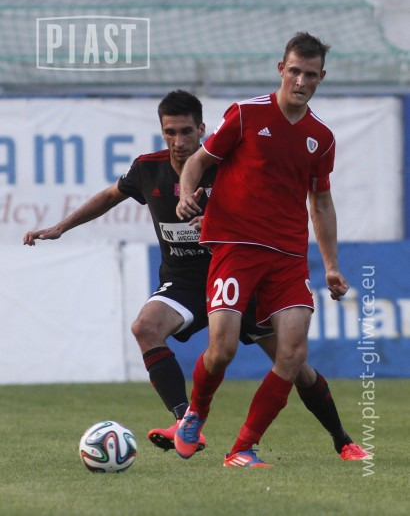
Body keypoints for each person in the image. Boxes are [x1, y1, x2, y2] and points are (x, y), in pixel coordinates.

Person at [23, 89, 368, 462]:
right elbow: (109, 196)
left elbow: (268, 205)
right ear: (161, 132)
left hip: (238, 274)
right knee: (145, 327)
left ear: (202, 130)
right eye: (170, 132)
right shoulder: (147, 169)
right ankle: (185, 420)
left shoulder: (228, 165)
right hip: (185, 282)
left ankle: (342, 439)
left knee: (296, 366)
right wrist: (61, 227)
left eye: (187, 131)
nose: (179, 141)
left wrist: (220, 223)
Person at [175, 34, 371, 467]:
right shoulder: (246, 114)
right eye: (294, 71)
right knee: (222, 350)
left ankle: (242, 447)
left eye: (310, 74)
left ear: (321, 77)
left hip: (288, 257)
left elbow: (321, 202)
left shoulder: (321, 137)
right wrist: (187, 194)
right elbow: (198, 161)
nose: (301, 81)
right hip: (236, 246)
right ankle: (196, 413)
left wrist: (332, 266)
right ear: (281, 69)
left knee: (294, 354)